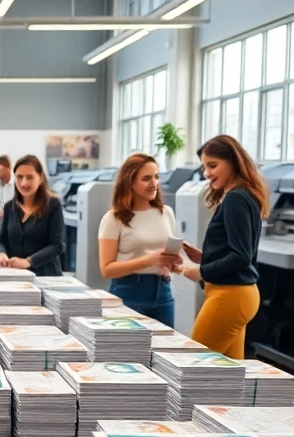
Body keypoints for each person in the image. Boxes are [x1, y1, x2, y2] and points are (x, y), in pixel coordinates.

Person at [179, 135, 268, 360]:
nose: (207, 173)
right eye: (204, 167)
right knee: (228, 376)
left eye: (213, 165)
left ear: (232, 161)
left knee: (194, 366)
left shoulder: (235, 199)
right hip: (238, 295)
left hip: (230, 295)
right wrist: (204, 257)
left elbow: (240, 256)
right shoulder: (242, 195)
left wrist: (200, 271)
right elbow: (237, 249)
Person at [99, 153, 183, 325]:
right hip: (128, 292)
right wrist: (149, 260)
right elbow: (107, 269)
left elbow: (167, 260)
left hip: (163, 293)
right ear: (130, 182)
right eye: (146, 178)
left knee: (165, 348)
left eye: (156, 177)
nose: (154, 184)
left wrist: (174, 264)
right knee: (130, 351)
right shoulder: (113, 218)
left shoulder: (166, 213)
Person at [0, 155, 65, 277]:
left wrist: (28, 262)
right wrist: (1, 254)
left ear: (41, 178)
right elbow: (0, 241)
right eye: (19, 177)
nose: (24, 183)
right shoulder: (9, 207)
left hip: (46, 276)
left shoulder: (53, 205)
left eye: (29, 177)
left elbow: (57, 245)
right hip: (16, 277)